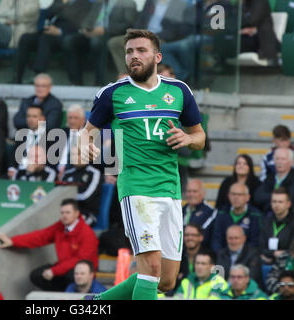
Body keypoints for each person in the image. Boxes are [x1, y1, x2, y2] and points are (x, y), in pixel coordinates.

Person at [79, 29, 206, 300]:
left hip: (170, 189)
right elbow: (86, 132)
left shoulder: (179, 91)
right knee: (151, 269)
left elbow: (200, 137)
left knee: (167, 280)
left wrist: (187, 137)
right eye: (129, 52)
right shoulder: (112, 94)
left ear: (157, 56)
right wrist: (85, 144)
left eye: (141, 50)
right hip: (136, 189)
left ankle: (99, 302)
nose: (134, 56)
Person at [0, 199, 99, 291]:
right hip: (62, 267)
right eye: (62, 212)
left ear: (77, 213)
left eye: (68, 212)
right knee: (36, 276)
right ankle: (59, 296)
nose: (64, 215)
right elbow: (41, 236)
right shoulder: (60, 226)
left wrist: (54, 271)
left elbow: (79, 260)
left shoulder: (87, 233)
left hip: (82, 271)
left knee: (72, 276)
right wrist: (13, 241)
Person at [14, 0, 92, 84]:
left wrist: (59, 31)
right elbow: (48, 14)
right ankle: (17, 77)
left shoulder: (84, 3)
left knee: (46, 38)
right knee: (25, 38)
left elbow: (80, 25)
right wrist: (62, 4)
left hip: (67, 35)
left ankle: (39, 75)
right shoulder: (58, 2)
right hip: (49, 32)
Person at [107, 0, 192, 77]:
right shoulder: (151, 2)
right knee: (114, 43)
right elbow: (141, 20)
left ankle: (144, 74)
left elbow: (176, 28)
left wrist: (152, 36)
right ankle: (127, 74)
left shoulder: (179, 4)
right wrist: (137, 33)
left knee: (145, 47)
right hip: (143, 35)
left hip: (161, 38)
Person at [62, 0, 137, 86]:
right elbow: (87, 20)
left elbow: (128, 24)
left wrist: (105, 30)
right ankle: (75, 82)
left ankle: (99, 82)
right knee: (70, 41)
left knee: (97, 42)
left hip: (110, 35)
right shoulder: (100, 2)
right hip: (91, 34)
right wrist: (85, 29)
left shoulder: (128, 3)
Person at [211, 182, 262, 252]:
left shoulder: (256, 215)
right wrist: (222, 256)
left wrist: (242, 256)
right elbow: (216, 240)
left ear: (248, 197)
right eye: (233, 194)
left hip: (247, 258)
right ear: (228, 196)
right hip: (224, 257)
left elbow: (256, 242)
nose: (236, 197)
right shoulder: (221, 213)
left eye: (240, 194)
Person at [60, 145, 103, 227]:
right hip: (65, 211)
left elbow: (87, 197)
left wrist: (66, 198)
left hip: (86, 213)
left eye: (79, 154)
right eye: (73, 155)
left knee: (67, 223)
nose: (77, 157)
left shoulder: (94, 173)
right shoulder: (66, 174)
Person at [8, 104, 47, 179]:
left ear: (42, 118)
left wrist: (37, 167)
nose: (31, 119)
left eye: (34, 116)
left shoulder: (50, 138)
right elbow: (13, 155)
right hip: (19, 173)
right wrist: (11, 168)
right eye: (28, 116)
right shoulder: (21, 135)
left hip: (39, 174)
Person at [260, 187, 294, 265]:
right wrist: (274, 253)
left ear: (288, 204)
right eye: (274, 201)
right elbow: (261, 247)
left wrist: (281, 254)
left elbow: (292, 251)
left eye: (280, 202)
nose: (276, 205)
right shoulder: (266, 221)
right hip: (267, 261)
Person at [254, 148, 294, 213]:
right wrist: (279, 198)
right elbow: (258, 197)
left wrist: (269, 200)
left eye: (283, 159)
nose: (279, 162)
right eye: (277, 159)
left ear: (291, 162)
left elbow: (291, 199)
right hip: (269, 217)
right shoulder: (270, 177)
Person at [240, 0, 279, 65]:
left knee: (231, 43)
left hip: (261, 41)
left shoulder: (260, 2)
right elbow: (235, 19)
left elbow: (252, 21)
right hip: (247, 37)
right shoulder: (245, 3)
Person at [171, 223, 205, 296]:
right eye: (187, 235)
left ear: (201, 237)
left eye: (193, 235)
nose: (190, 238)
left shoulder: (208, 257)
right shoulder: (177, 256)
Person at [57, 104, 86, 181]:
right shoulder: (60, 134)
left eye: (76, 118)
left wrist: (66, 171)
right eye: (70, 118)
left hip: (77, 174)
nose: (72, 121)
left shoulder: (89, 135)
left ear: (83, 120)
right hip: (56, 173)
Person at [182, 179, 215, 248]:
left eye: (195, 191)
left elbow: (203, 233)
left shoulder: (210, 211)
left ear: (203, 193)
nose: (191, 194)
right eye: (189, 191)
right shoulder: (182, 210)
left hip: (201, 251)